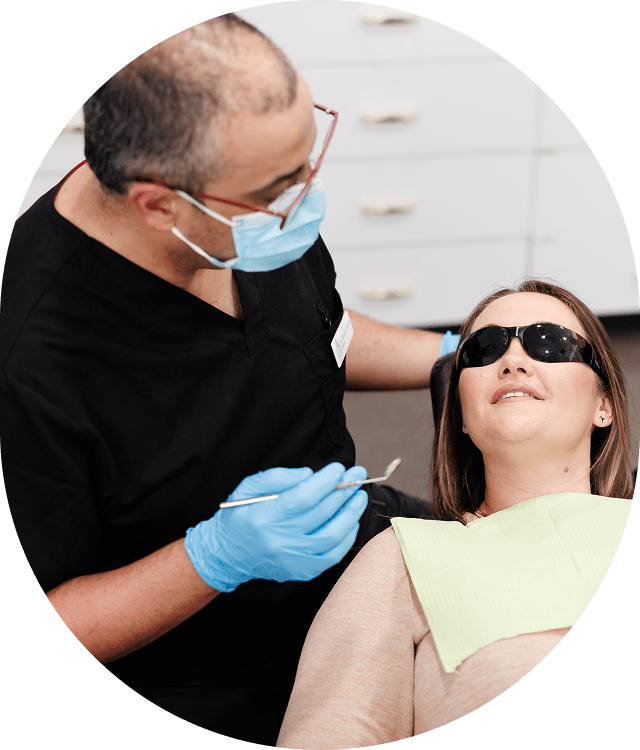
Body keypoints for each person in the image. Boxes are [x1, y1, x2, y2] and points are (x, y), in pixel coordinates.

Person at [0, 14, 458, 745]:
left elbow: (313, 330)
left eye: (308, 160)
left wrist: (453, 355)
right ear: (159, 204)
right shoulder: (32, 361)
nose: (304, 197)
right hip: (205, 671)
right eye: (279, 186)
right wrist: (214, 556)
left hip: (351, 548)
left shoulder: (244, 218)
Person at [277, 280, 634, 749]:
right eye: (483, 349)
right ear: (461, 414)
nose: (512, 361)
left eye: (550, 341)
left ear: (604, 405)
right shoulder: (403, 560)